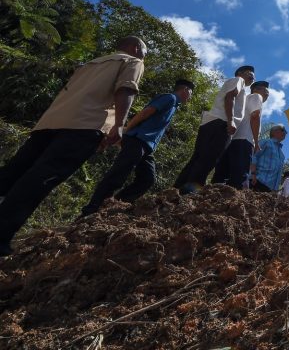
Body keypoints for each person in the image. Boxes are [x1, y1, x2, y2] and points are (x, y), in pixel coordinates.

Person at [0, 36, 147, 256]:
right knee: (40, 179)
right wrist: (119, 125)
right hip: (84, 127)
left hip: (49, 123)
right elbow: (125, 89)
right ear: (136, 48)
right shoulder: (133, 62)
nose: (145, 57)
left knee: (12, 172)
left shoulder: (91, 63)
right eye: (145, 52)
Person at [80, 79, 195, 216]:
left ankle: (115, 205)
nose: (190, 97)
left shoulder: (175, 105)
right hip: (137, 140)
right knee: (118, 174)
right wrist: (125, 131)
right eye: (191, 93)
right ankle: (92, 209)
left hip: (146, 147)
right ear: (185, 90)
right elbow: (145, 113)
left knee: (147, 179)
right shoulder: (170, 98)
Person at [175, 65, 254, 191]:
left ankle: (176, 191)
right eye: (249, 73)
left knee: (198, 159)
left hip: (212, 123)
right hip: (221, 123)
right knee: (208, 160)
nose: (252, 76)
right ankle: (189, 193)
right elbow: (230, 97)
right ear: (240, 73)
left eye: (253, 75)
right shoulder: (239, 80)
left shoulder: (239, 85)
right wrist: (231, 121)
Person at [212, 81, 269, 189]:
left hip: (232, 141)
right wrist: (256, 142)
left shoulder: (244, 100)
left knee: (221, 176)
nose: (267, 93)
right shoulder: (256, 96)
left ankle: (212, 196)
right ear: (255, 90)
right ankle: (234, 198)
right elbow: (255, 116)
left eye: (268, 93)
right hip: (244, 141)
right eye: (265, 91)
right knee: (239, 177)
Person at [249, 125, 287, 192]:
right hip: (257, 181)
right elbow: (254, 156)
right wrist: (253, 174)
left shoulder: (282, 154)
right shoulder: (266, 142)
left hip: (270, 189)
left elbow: (278, 173)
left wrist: (275, 189)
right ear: (274, 131)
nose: (285, 133)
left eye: (285, 132)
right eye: (283, 130)